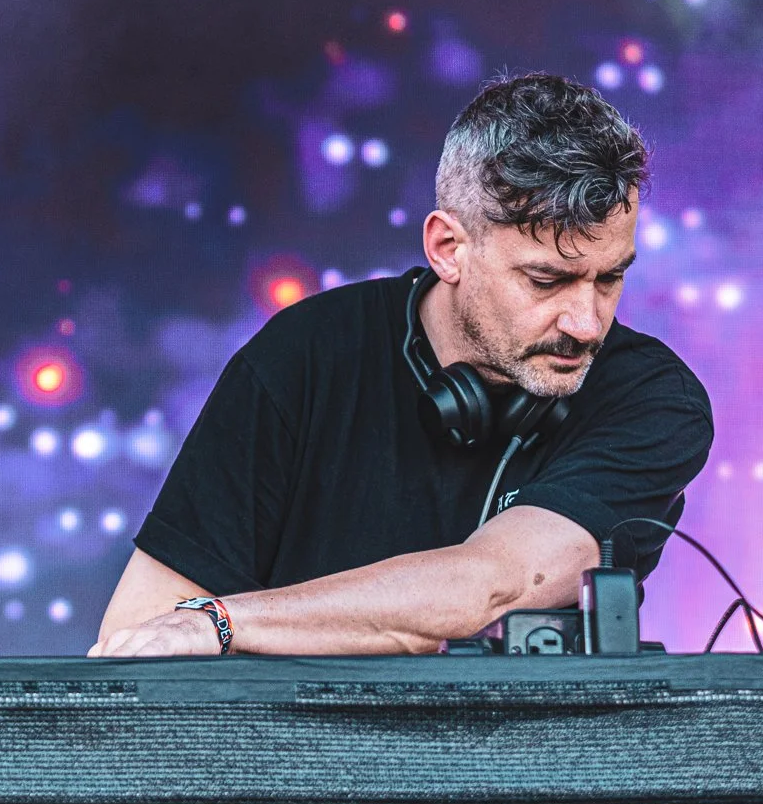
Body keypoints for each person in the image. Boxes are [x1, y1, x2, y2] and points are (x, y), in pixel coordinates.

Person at [90, 72, 712, 658]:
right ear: (448, 248)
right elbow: (137, 631)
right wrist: (201, 627)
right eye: (546, 280)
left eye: (609, 278)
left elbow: (490, 586)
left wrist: (223, 623)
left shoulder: (652, 400)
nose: (587, 323)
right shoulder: (303, 357)